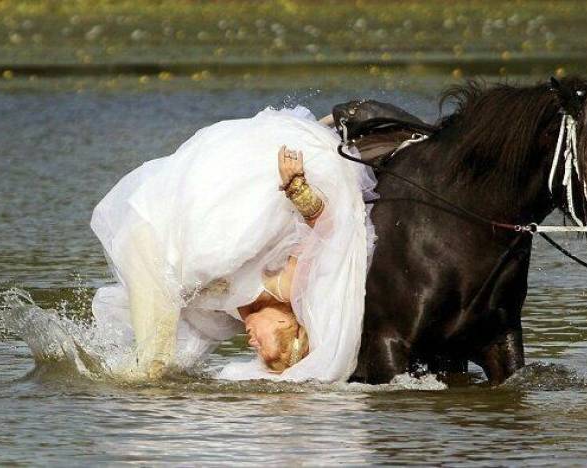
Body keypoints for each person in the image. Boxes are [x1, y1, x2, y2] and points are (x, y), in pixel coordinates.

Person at [90, 106, 377, 382]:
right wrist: (296, 186)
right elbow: (326, 233)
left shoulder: (235, 319)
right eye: (264, 346)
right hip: (168, 232)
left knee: (155, 366)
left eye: (257, 353)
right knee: (152, 367)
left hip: (155, 254)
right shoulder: (289, 285)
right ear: (284, 324)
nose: (252, 344)